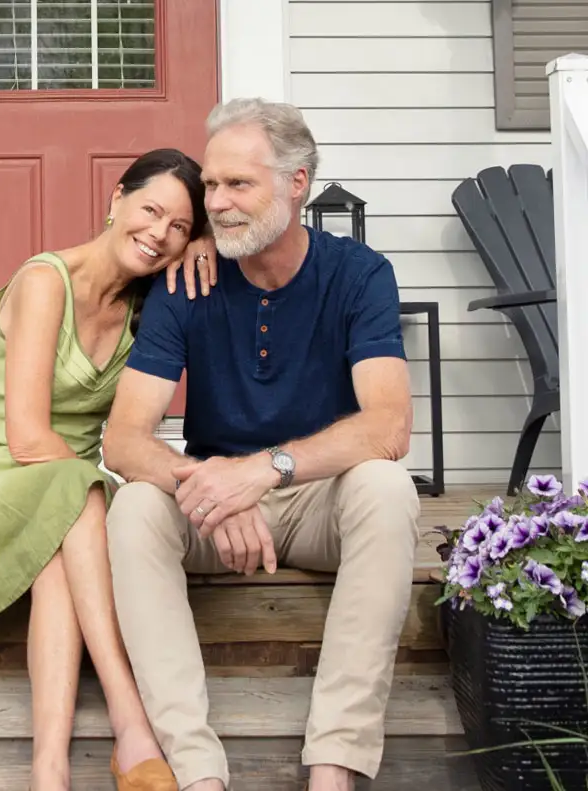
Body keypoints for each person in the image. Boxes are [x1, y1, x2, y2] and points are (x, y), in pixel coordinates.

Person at [101, 98, 420, 791]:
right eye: (210, 185)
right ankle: (196, 771)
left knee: (387, 489)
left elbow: (388, 425)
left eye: (238, 185)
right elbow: (124, 439)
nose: (217, 203)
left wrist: (264, 471)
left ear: (296, 183)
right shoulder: (187, 281)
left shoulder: (359, 274)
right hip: (214, 505)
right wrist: (209, 482)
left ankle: (333, 764)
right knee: (131, 510)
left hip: (314, 498)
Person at [0, 148, 219, 791]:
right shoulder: (45, 279)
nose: (158, 234)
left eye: (179, 228)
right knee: (79, 498)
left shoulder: (150, 306)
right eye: (150, 210)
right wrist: (99, 491)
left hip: (64, 493)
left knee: (62, 542)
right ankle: (130, 721)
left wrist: (206, 249)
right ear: (116, 199)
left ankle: (48, 771)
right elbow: (26, 438)